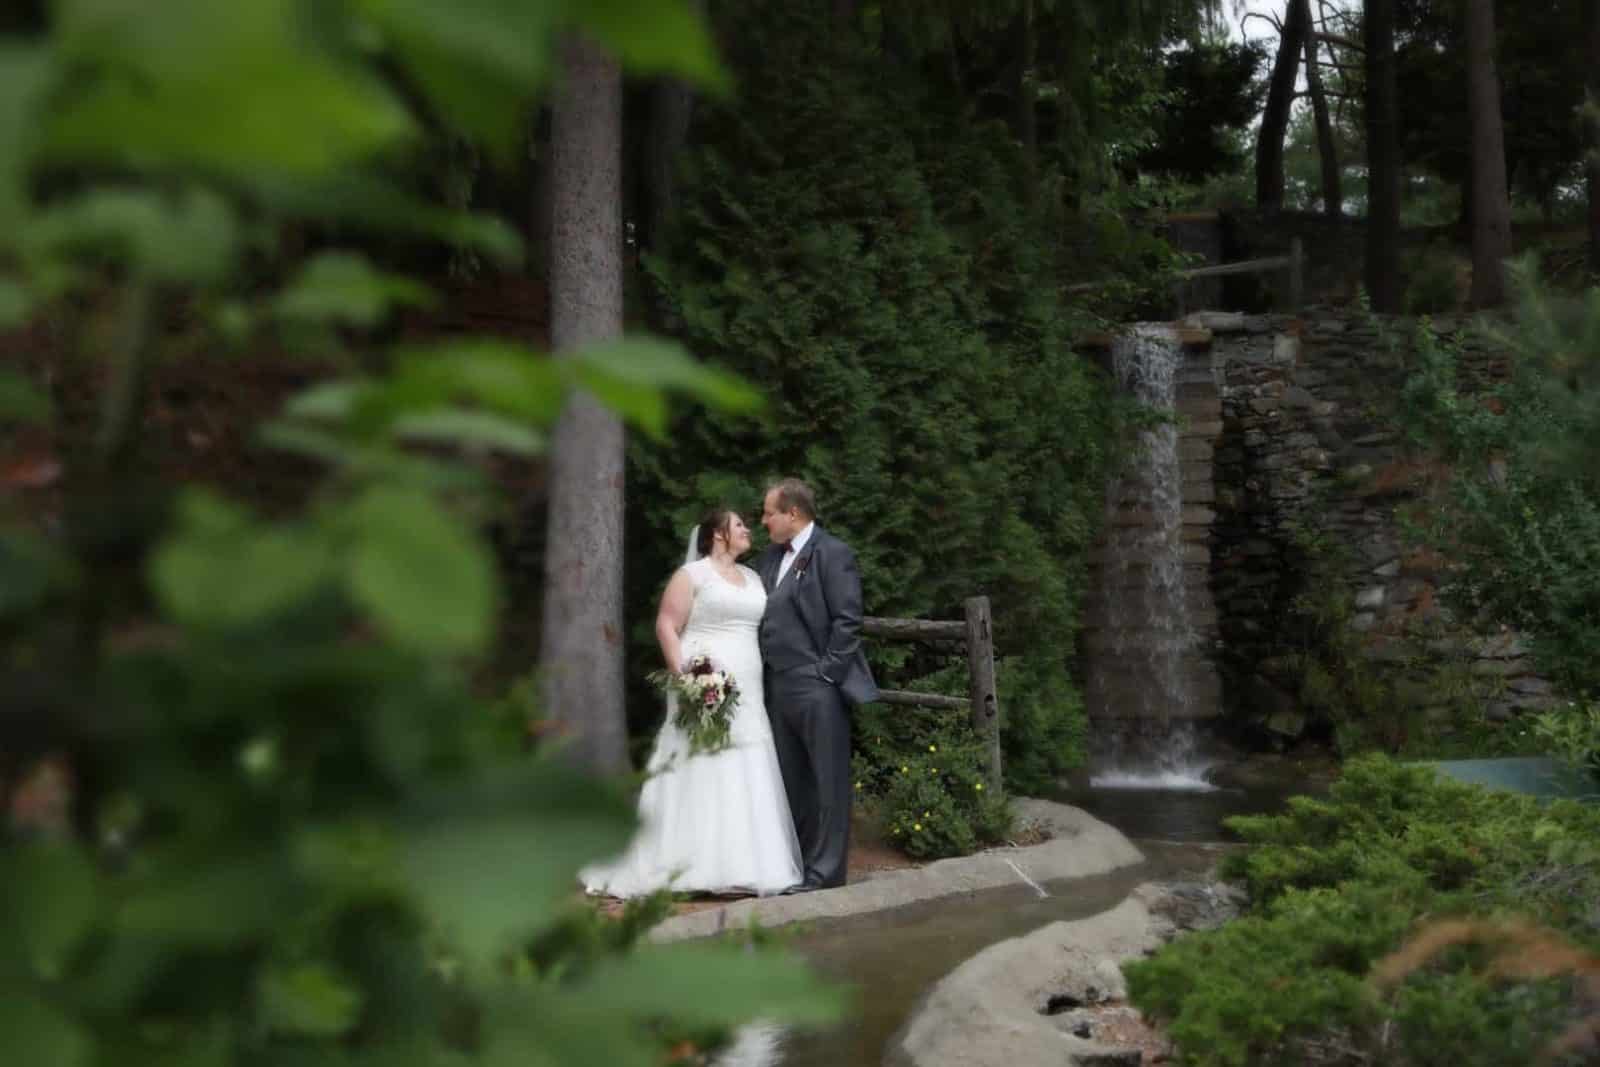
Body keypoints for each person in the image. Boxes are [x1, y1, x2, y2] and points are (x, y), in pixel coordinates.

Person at [582, 508, 802, 898]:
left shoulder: (752, 578)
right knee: (699, 760)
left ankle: (744, 864)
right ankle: (685, 862)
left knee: (745, 760)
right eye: (738, 525)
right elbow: (667, 625)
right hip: (702, 678)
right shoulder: (692, 575)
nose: (747, 529)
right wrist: (686, 678)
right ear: (718, 534)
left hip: (747, 685)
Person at [757, 478, 879, 892]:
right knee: (793, 780)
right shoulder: (769, 559)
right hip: (779, 685)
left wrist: (827, 672)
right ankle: (800, 867)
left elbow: (848, 619)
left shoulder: (832, 552)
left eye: (769, 512)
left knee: (828, 781)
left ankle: (825, 874)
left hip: (818, 685)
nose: (763, 521)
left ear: (793, 513)